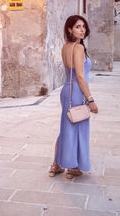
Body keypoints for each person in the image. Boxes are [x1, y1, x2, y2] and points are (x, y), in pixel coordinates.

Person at [49, 15, 98, 179]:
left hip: (67, 91)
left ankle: (57, 165)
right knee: (77, 127)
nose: (82, 29)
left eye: (83, 26)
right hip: (77, 91)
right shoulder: (78, 48)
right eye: (77, 26)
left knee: (67, 127)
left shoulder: (65, 47)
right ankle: (73, 167)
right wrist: (90, 99)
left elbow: (69, 73)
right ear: (69, 29)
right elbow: (80, 76)